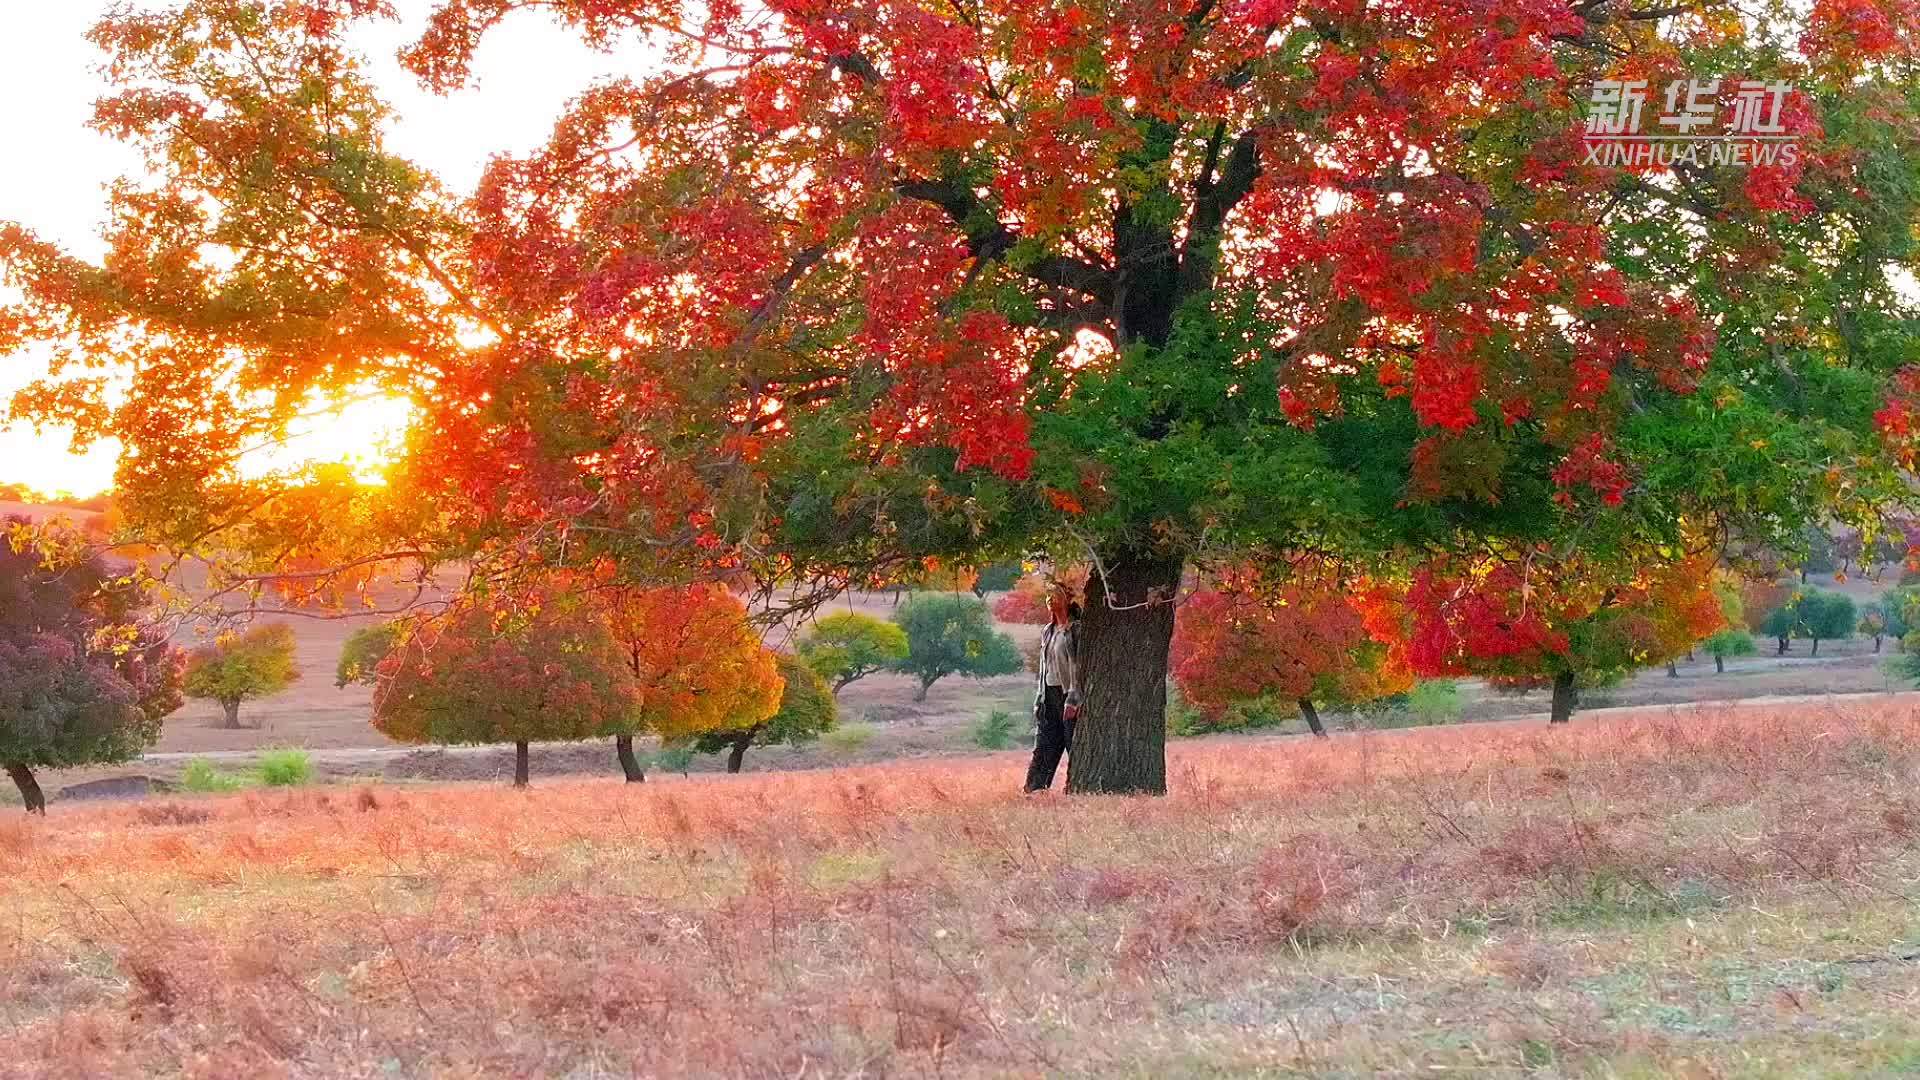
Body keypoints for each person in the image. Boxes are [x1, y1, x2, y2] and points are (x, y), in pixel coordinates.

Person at [1024, 584, 1082, 792]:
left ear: (1066, 598)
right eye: (1047, 595)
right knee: (1045, 744)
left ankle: (1077, 790)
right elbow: (1043, 667)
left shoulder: (1076, 629)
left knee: (1073, 742)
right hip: (1049, 694)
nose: (1050, 599)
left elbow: (1078, 666)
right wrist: (1039, 698)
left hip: (1067, 694)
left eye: (1055, 594)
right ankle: (1034, 790)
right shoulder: (1048, 631)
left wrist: (1074, 699)